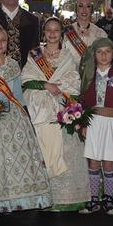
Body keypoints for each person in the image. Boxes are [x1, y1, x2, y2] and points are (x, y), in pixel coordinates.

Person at [0, 25, 52, 213]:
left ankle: (24, 199)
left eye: (3, 40)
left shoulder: (14, 64)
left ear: (8, 43)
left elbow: (18, 94)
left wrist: (25, 114)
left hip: (15, 116)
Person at [21, 16, 89, 211]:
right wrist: (45, 85)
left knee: (66, 150)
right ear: (43, 33)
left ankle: (67, 197)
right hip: (40, 108)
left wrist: (60, 90)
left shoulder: (67, 56)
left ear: (61, 34)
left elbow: (74, 82)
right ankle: (42, 196)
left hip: (61, 106)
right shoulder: (35, 54)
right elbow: (26, 79)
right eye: (48, 30)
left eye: (56, 30)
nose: (52, 34)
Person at [78, 38, 113, 215]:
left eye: (107, 51)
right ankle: (94, 199)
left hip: (112, 124)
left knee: (108, 162)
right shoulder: (89, 77)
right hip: (93, 123)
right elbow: (83, 103)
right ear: (94, 55)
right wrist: (83, 124)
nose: (103, 55)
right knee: (93, 161)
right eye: (99, 52)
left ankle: (109, 199)